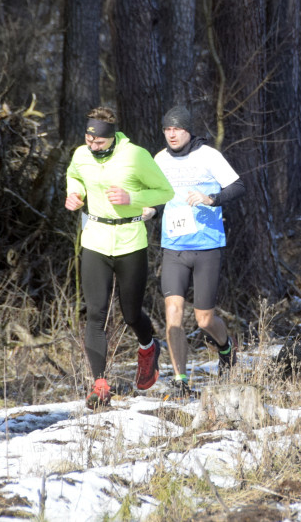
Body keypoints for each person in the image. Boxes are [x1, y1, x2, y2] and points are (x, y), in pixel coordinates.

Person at [65, 107, 175, 408]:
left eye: (98, 142)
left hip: (130, 241)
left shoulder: (135, 156)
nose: (92, 146)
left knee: (130, 313)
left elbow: (164, 191)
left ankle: (148, 347)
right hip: (96, 239)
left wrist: (133, 199)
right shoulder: (81, 155)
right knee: (96, 313)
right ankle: (100, 385)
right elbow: (74, 176)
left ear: (111, 137)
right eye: (88, 139)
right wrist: (74, 194)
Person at [146, 106, 246, 397]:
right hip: (174, 248)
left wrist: (211, 198)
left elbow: (239, 186)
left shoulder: (208, 156)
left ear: (189, 130)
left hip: (207, 247)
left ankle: (226, 349)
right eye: (167, 129)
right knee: (173, 313)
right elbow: (157, 195)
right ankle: (181, 381)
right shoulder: (160, 159)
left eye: (177, 129)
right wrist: (150, 210)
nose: (172, 134)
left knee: (204, 319)